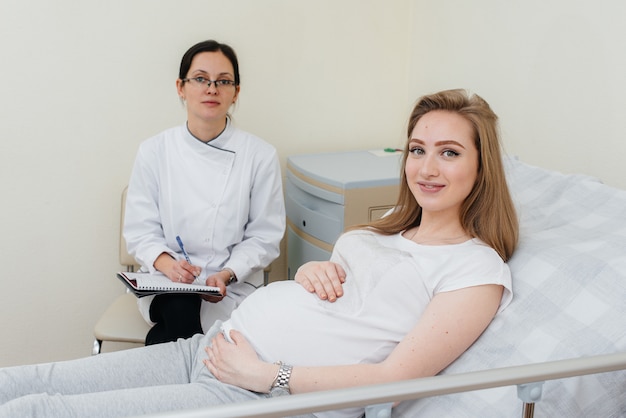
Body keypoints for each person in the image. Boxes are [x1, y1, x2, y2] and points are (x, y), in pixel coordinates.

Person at [0, 89, 519, 418]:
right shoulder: (378, 232)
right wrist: (313, 270)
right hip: (209, 350)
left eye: (449, 153)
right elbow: (350, 296)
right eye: (418, 149)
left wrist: (267, 376)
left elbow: (396, 380)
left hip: (256, 393)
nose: (427, 167)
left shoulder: (475, 268)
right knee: (25, 383)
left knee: (40, 411)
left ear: (482, 167)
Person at [123, 40, 286, 345]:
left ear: (236, 92)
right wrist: (168, 265)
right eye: (200, 79)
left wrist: (225, 274)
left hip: (230, 286)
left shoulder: (259, 156)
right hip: (163, 280)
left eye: (223, 81)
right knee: (180, 304)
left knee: (176, 327)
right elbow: (139, 230)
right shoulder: (154, 151)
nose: (212, 89)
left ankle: (163, 382)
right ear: (181, 87)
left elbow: (264, 236)